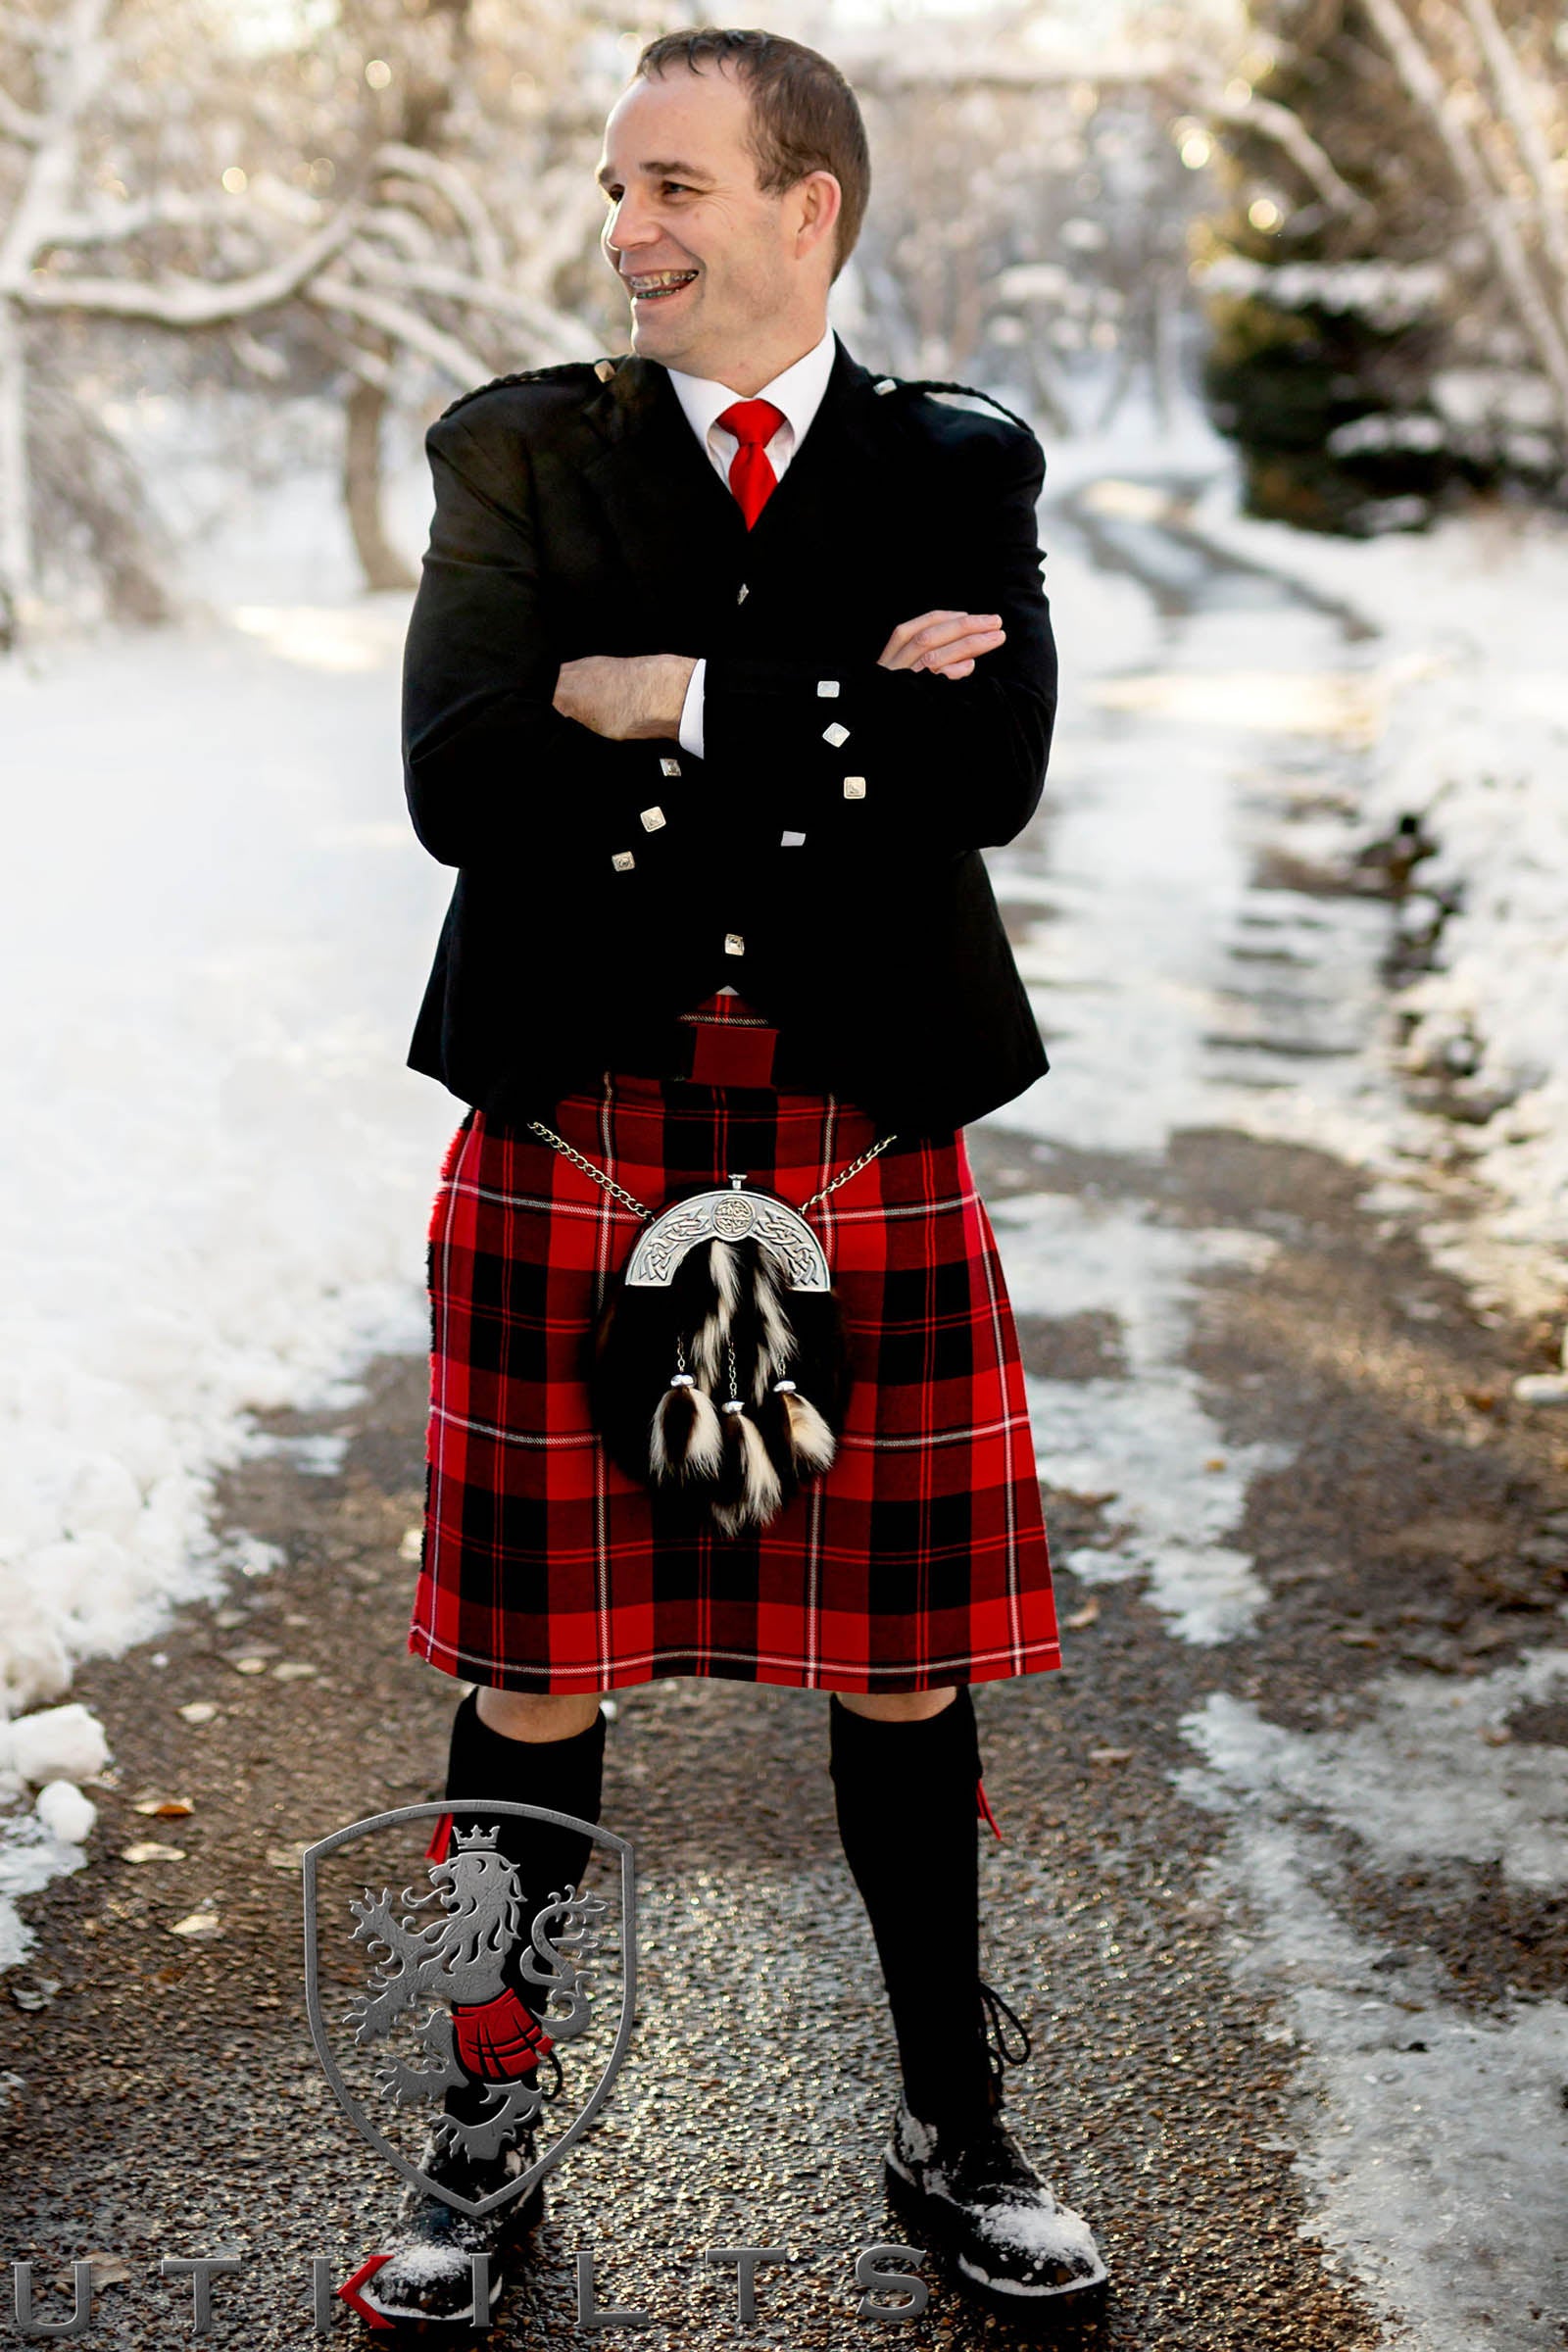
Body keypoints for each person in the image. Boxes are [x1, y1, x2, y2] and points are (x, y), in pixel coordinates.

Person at [367, 23, 1107, 2329]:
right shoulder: (519, 448)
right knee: (533, 1661)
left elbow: (982, 766)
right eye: (615, 187)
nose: (628, 231)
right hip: (579, 1115)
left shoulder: (949, 459)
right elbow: (457, 773)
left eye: (677, 187)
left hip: (854, 1112)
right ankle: (485, 2128)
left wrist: (663, 692)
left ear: (811, 209)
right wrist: (827, 698)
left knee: (899, 1666)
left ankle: (946, 2128)